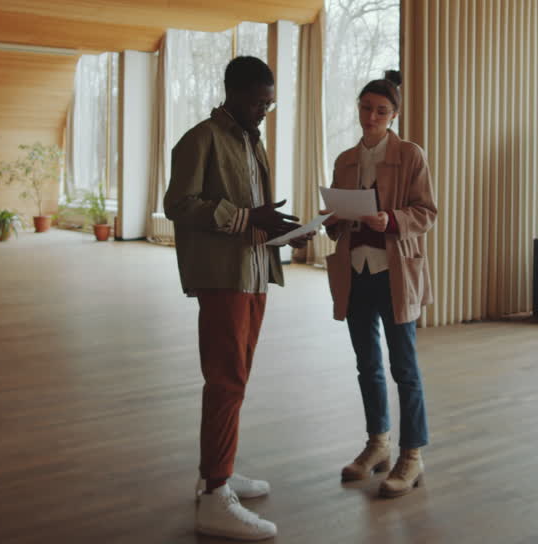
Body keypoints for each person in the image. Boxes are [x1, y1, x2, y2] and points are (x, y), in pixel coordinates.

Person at [164, 56, 313, 541]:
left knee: (237, 377)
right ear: (232, 93)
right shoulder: (200, 138)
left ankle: (219, 470)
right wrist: (250, 220)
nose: (263, 113)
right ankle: (214, 496)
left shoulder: (252, 140)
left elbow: (257, 213)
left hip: (253, 274)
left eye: (269, 105)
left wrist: (282, 234)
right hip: (223, 278)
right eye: (257, 103)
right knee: (226, 380)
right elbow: (179, 206)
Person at [322, 70, 437, 498]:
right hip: (355, 271)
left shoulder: (410, 156)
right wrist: (333, 222)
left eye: (381, 111)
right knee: (366, 364)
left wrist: (390, 220)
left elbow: (426, 213)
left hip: (395, 273)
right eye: (366, 108)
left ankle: (412, 455)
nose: (372, 117)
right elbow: (337, 222)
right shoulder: (345, 160)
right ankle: (378, 444)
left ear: (394, 114)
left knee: (403, 367)